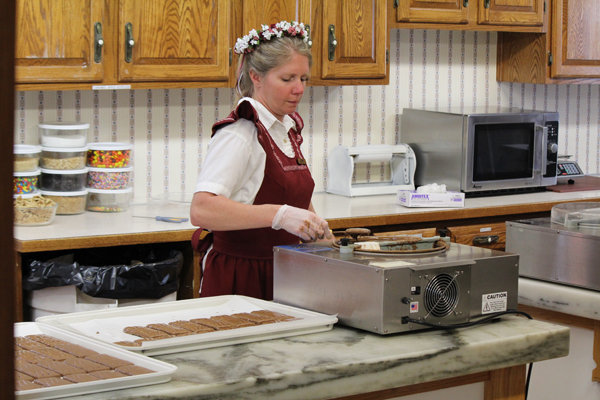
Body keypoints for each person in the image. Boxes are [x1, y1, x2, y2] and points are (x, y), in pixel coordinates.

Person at [190, 21, 333, 301]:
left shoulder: (285, 129)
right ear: (255, 76)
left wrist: (322, 237)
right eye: (287, 78)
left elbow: (297, 198)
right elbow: (201, 209)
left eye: (303, 79)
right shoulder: (241, 133)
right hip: (242, 276)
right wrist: (279, 215)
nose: (299, 89)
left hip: (286, 271)